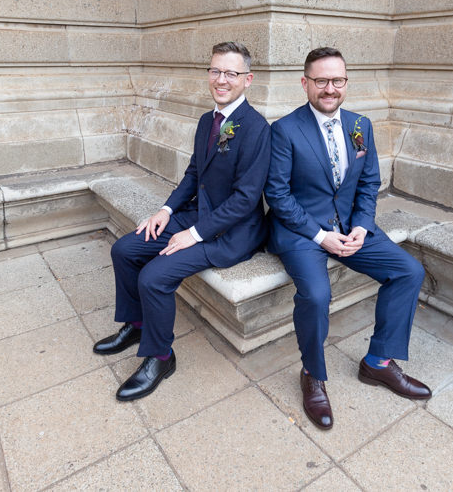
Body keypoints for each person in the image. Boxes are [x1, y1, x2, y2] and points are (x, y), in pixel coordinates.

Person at [93, 41, 271, 401]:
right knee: (126, 249)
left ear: (247, 79)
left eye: (231, 73)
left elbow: (246, 199)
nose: (221, 80)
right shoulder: (209, 120)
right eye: (216, 71)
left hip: (231, 234)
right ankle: (138, 325)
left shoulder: (256, 129)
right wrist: (166, 211)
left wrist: (193, 234)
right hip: (198, 215)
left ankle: (161, 357)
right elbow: (194, 174)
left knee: (155, 276)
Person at [264, 47, 430, 430]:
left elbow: (369, 181)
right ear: (305, 83)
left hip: (351, 227)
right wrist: (322, 236)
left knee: (408, 271)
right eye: (320, 80)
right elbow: (278, 195)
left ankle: (378, 363)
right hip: (302, 230)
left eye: (337, 80)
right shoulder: (285, 130)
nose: (329, 88)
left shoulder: (360, 125)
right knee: (317, 295)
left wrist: (361, 224)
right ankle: (312, 375)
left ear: (346, 82)